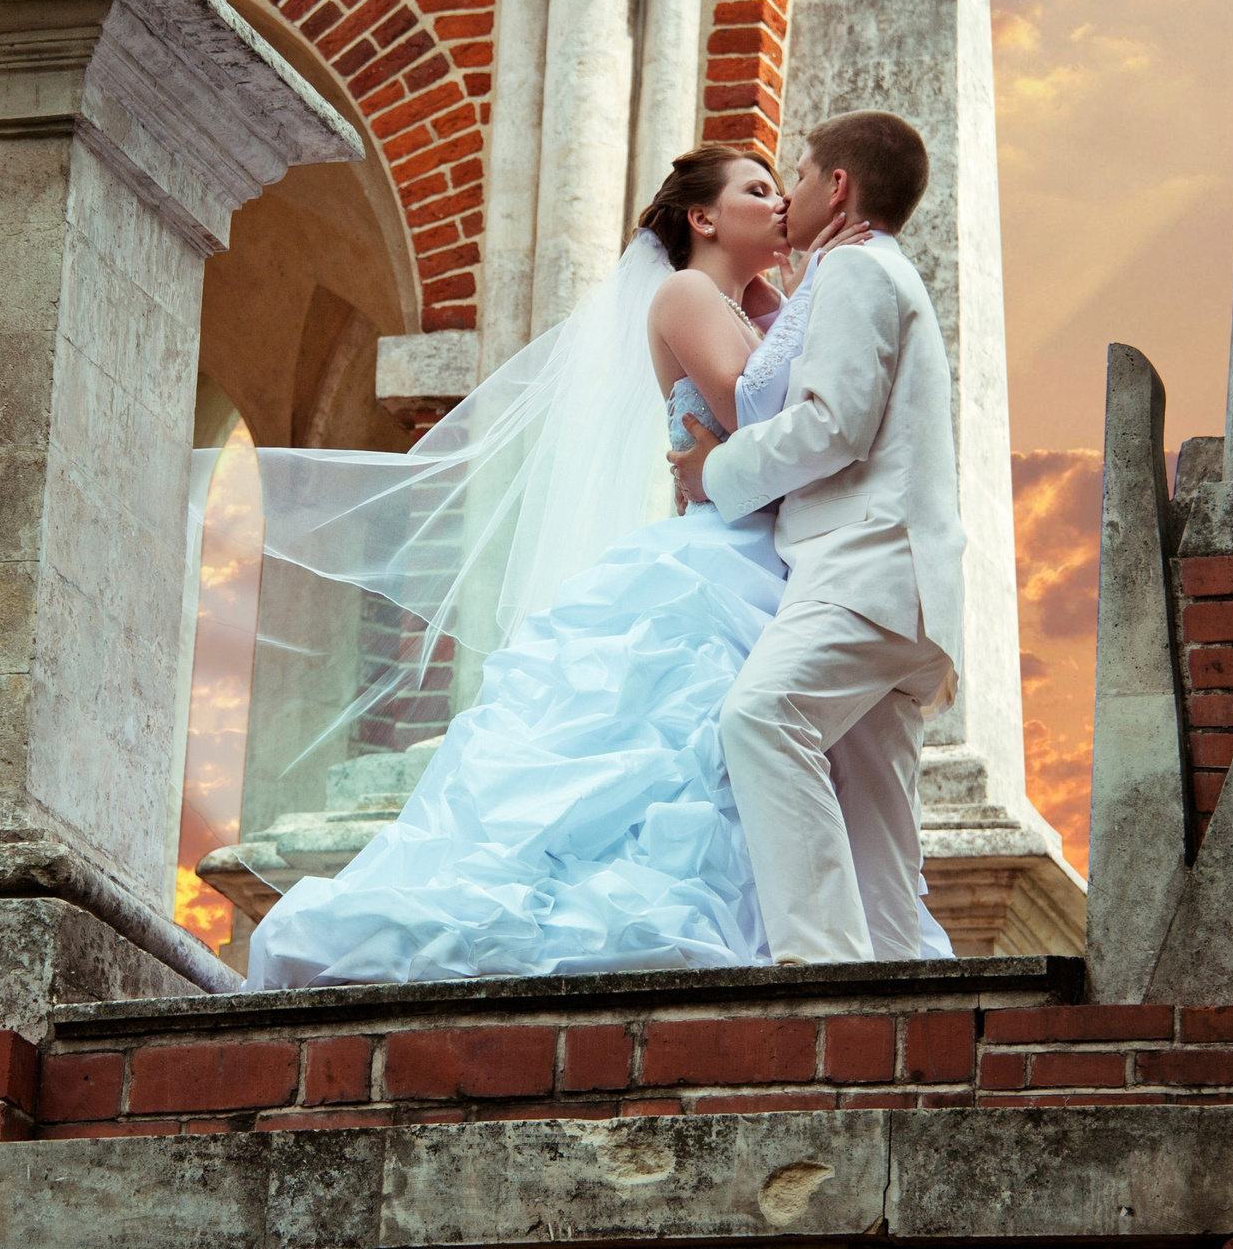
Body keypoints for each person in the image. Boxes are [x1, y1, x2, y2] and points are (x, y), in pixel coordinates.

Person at [241, 141, 954, 988]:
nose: (778, 202)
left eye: (784, 185)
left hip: (786, 556)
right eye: (757, 189)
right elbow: (750, 408)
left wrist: (794, 300)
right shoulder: (687, 293)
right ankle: (805, 962)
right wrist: (801, 303)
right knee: (721, 736)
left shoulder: (778, 301)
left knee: (792, 755)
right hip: (722, 556)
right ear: (703, 218)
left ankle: (845, 957)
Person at [668, 110, 967, 965]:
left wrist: (716, 471)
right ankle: (897, 994)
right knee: (876, 830)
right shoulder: (862, 272)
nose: (786, 194)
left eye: (795, 176)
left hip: (864, 573)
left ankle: (821, 974)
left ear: (837, 187)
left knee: (761, 718)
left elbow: (835, 423)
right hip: (900, 591)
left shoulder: (858, 271)